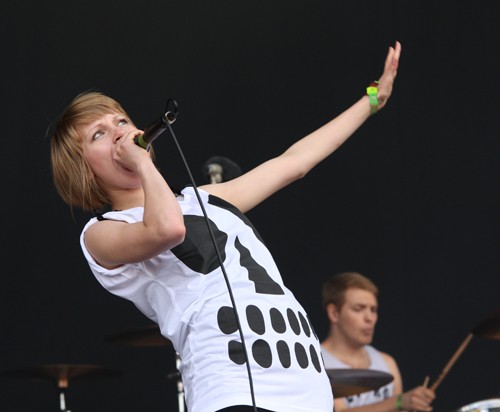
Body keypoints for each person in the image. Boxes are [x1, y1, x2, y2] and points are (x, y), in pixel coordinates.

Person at [49, 41, 401, 412]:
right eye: (99, 134)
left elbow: (294, 162)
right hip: (232, 383)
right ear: (82, 169)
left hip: (303, 379)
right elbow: (167, 230)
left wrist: (374, 99)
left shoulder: (202, 197)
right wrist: (142, 164)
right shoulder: (102, 232)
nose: (119, 132)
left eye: (121, 121)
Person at [321, 272, 436, 411]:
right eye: (359, 309)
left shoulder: (387, 363)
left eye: (373, 310)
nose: (369, 318)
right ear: (333, 313)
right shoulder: (316, 363)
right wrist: (398, 402)